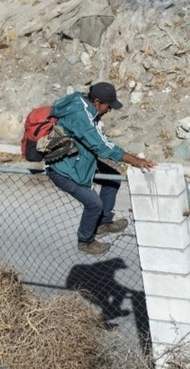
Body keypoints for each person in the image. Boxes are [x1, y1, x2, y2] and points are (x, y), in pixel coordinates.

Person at [46, 82, 156, 255]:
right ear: (96, 102)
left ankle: (104, 223)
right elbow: (102, 148)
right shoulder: (81, 116)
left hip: (79, 160)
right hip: (64, 170)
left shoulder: (85, 106)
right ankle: (85, 241)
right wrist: (135, 161)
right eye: (108, 106)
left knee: (112, 179)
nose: (109, 110)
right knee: (94, 204)